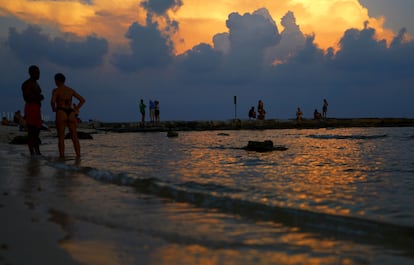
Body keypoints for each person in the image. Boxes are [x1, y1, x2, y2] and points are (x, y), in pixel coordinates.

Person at [51, 73, 85, 158]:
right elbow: (82, 100)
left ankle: (62, 158)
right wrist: (75, 109)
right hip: (71, 113)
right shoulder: (70, 90)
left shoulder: (56, 90)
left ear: (56, 81)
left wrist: (53, 108)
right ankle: (78, 156)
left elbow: (52, 101)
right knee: (74, 137)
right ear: (64, 80)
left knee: (61, 137)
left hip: (61, 111)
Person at [21, 65, 44, 156]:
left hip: (37, 108)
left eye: (39, 72)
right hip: (31, 107)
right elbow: (26, 97)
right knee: (32, 131)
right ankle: (32, 152)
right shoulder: (27, 83)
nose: (38, 74)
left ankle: (37, 151)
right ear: (31, 73)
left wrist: (39, 97)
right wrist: (38, 97)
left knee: (37, 131)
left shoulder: (35, 83)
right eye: (36, 72)